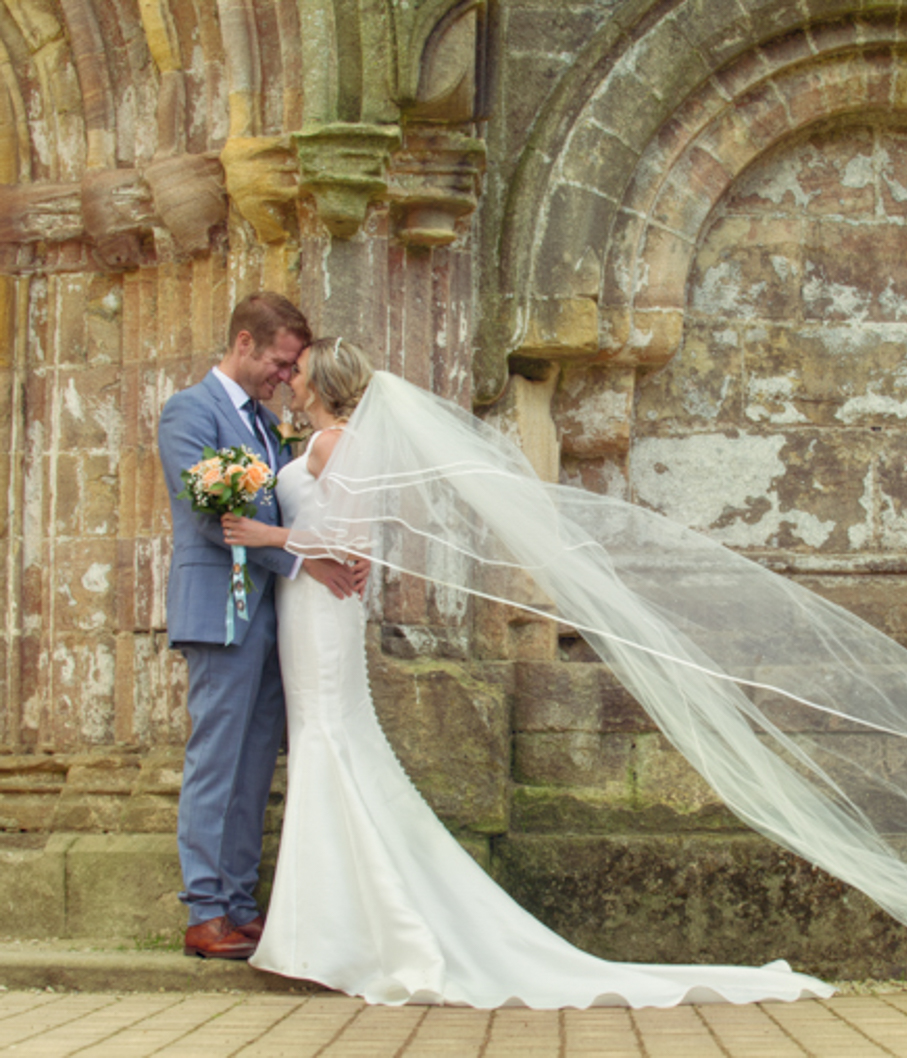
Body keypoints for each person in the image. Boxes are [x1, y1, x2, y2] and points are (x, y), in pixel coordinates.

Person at [221, 338, 835, 1006]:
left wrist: (267, 537)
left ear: (321, 383)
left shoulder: (330, 445)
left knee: (326, 739)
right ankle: (334, 926)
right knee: (329, 738)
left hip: (318, 607)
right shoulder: (328, 442)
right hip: (315, 605)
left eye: (300, 369)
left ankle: (333, 936)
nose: (292, 377)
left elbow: (350, 543)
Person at [157, 293, 365, 960]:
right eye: (279, 362)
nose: (285, 375)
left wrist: (322, 557)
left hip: (273, 617)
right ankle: (205, 910)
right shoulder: (190, 411)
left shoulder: (269, 425)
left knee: (252, 767)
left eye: (291, 368)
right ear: (244, 343)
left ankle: (240, 904)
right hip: (218, 610)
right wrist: (309, 558)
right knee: (217, 760)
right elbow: (210, 519)